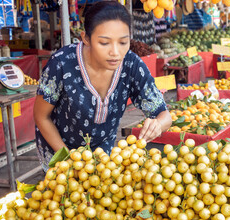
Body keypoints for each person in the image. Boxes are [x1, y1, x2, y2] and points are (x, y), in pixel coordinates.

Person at [33, 0, 172, 171]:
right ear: (86, 38)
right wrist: (67, 158)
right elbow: (42, 116)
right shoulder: (62, 63)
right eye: (104, 43)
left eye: (122, 42)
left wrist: (157, 124)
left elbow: (165, 116)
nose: (115, 52)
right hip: (58, 149)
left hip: (102, 152)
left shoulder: (131, 65)